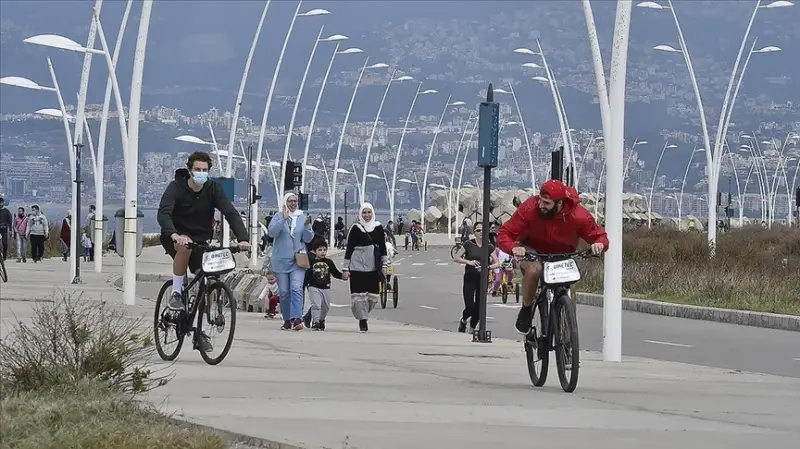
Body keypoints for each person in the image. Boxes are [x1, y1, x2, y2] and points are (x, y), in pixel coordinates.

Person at [157, 151, 250, 352]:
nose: (201, 173)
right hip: (174, 235)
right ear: (190, 170)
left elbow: (230, 212)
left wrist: (243, 238)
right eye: (197, 170)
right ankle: (175, 293)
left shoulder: (213, 188)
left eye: (205, 170)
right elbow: (164, 213)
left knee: (210, 278)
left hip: (200, 239)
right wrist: (174, 234)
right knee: (184, 245)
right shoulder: (176, 188)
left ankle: (201, 332)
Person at [497, 179, 608, 334]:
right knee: (534, 270)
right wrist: (514, 247)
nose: (541, 206)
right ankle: (527, 309)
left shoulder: (579, 215)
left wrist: (599, 245)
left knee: (570, 281)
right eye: (541, 201)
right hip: (532, 249)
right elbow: (504, 234)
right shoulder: (530, 208)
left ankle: (568, 329)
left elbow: (599, 236)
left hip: (563, 253)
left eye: (547, 204)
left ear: (560, 203)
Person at [267, 192, 314, 331]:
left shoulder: (301, 217)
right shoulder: (278, 216)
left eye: (295, 201)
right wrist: (283, 219)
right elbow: (271, 233)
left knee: (296, 288)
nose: (293, 204)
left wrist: (307, 226)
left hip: (297, 260)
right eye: (290, 201)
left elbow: (307, 239)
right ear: (285, 203)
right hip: (280, 260)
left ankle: (297, 318)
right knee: (285, 292)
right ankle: (287, 318)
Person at [343, 202, 387, 333]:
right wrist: (346, 268)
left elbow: (383, 247)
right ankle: (363, 320)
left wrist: (384, 264)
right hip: (357, 267)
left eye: (369, 212)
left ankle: (363, 313)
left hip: (373, 266)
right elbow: (349, 248)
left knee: (373, 296)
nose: (367, 215)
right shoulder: (356, 228)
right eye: (364, 212)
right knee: (359, 296)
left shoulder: (378, 227)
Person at [453, 223, 499, 334]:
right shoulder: (469, 244)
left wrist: (488, 267)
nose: (481, 233)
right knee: (470, 306)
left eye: (483, 231)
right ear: (474, 232)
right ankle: (463, 321)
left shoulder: (489, 246)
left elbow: (497, 263)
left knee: (479, 307)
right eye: (478, 230)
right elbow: (456, 257)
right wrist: (468, 262)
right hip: (470, 277)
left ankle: (472, 329)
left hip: (482, 279)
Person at [302, 237, 346, 331]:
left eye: (324, 250)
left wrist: (343, 276)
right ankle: (315, 322)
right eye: (320, 250)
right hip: (313, 286)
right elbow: (307, 273)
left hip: (326, 287)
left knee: (325, 306)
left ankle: (321, 320)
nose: (322, 252)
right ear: (315, 251)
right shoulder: (311, 261)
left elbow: (335, 272)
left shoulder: (329, 262)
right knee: (316, 305)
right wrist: (305, 284)